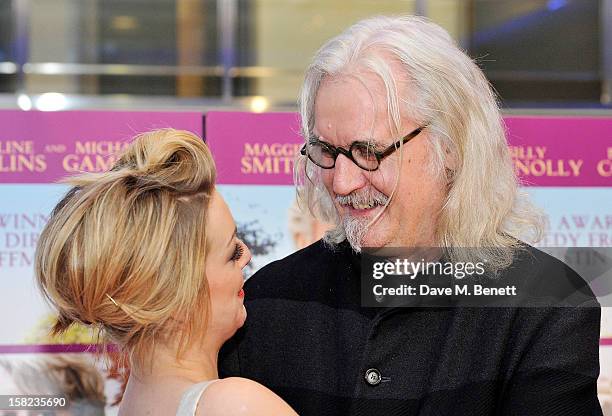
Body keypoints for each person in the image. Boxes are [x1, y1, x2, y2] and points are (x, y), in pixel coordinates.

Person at [219, 15, 602, 415]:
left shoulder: (544, 306)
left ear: (451, 146)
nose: (342, 182)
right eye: (327, 152)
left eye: (369, 152)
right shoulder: (268, 302)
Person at [35, 129, 297, 416]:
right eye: (231, 252)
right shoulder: (235, 405)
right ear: (174, 294)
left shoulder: (132, 406)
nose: (246, 255)